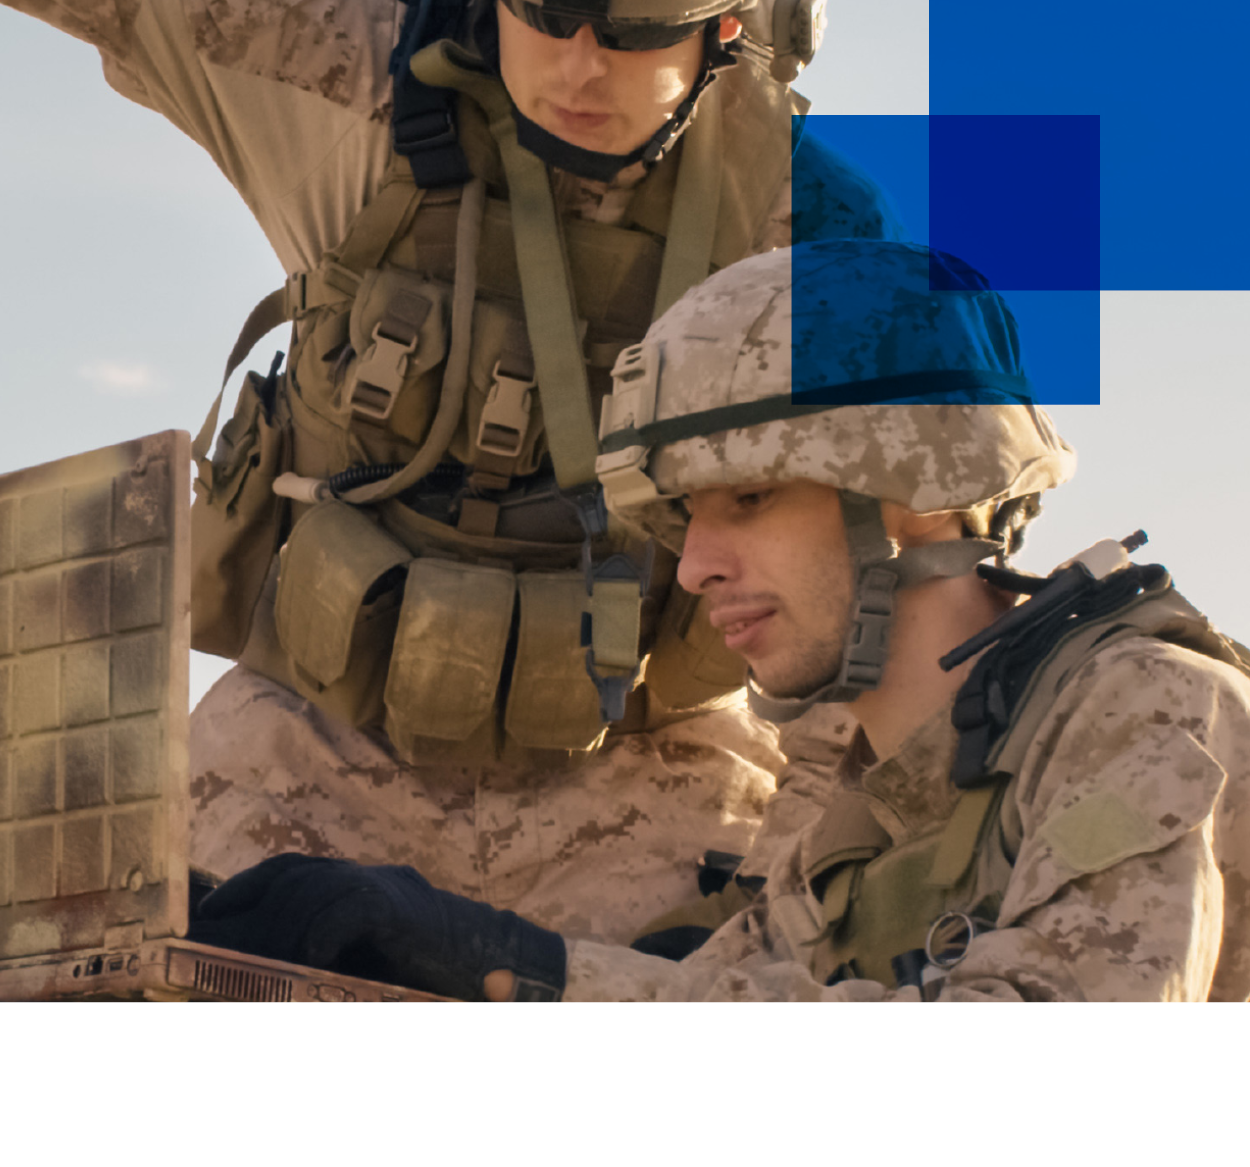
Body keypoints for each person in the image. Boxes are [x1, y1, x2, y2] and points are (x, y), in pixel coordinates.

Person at [2, 0, 905, 945]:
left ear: (726, 28)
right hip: (305, 754)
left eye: (633, 31)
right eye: (547, 13)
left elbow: (866, 602)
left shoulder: (817, 231)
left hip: (655, 777)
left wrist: (762, 897)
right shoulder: (346, 78)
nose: (580, 67)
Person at [189, 240, 1250, 1001]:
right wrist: (453, 947)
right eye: (685, 517)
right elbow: (716, 1011)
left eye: (746, 501)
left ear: (914, 493)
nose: (692, 566)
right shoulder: (849, 816)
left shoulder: (1144, 709)